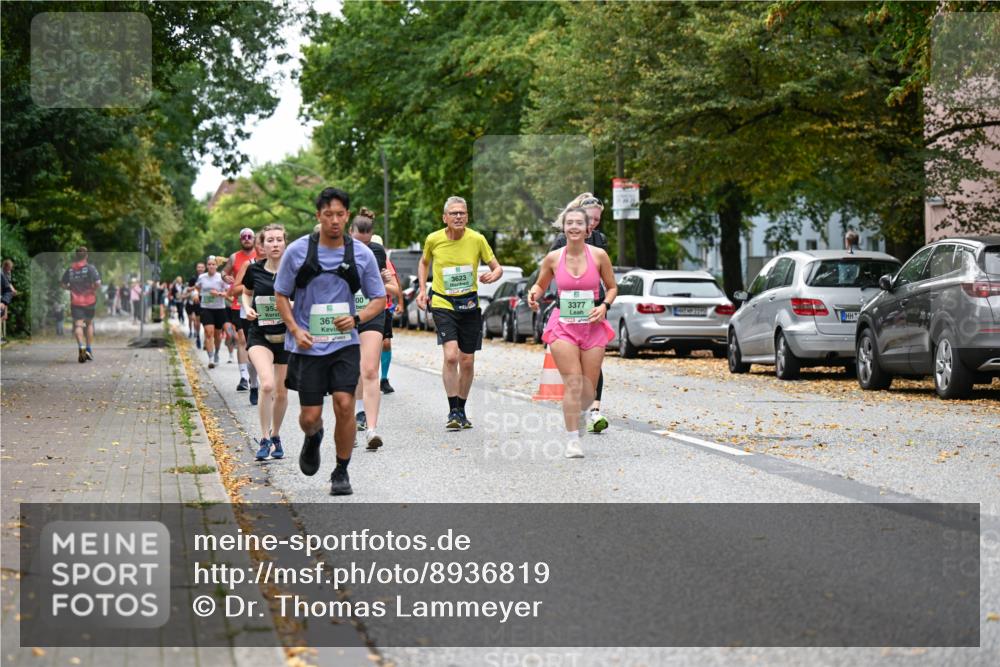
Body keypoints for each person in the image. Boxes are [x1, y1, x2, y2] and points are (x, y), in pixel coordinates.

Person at [274, 187, 386, 496]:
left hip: (344, 343)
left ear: (347, 216)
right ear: (318, 216)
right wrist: (295, 330)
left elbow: (379, 298)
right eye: (328, 215)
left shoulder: (360, 254)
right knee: (310, 416)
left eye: (340, 215)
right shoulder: (297, 251)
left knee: (345, 403)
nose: (334, 221)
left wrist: (358, 319)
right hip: (307, 345)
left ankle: (341, 470)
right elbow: (281, 294)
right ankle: (314, 436)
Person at [529, 206, 617, 458]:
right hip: (563, 326)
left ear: (589, 227)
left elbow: (612, 287)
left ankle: (580, 417)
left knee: (587, 389)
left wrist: (604, 306)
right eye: (570, 223)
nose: (575, 227)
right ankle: (572, 440)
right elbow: (540, 284)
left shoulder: (599, 255)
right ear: (564, 228)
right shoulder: (554, 258)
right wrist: (533, 295)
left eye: (580, 223)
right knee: (574, 384)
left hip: (593, 327)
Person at [416, 196, 502, 430]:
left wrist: (493, 275)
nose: (458, 216)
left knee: (467, 360)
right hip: (443, 302)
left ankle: (461, 409)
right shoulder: (433, 239)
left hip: (469, 306)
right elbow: (424, 263)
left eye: (462, 213)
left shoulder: (477, 239)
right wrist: (422, 289)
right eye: (453, 213)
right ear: (445, 217)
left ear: (467, 216)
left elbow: (497, 267)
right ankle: (453, 409)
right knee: (451, 356)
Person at [549, 193, 610, 434]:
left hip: (594, 304)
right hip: (566, 308)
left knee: (594, 361)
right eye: (591, 218)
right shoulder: (561, 240)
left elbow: (604, 273)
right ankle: (579, 409)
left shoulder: (600, 241)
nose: (594, 223)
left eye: (597, 220)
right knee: (575, 366)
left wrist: (604, 303)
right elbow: (549, 271)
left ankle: (594, 410)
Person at [350, 210, 402, 449]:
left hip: (372, 311)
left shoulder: (378, 252)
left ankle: (371, 430)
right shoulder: (336, 250)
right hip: (344, 314)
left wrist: (384, 280)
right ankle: (355, 415)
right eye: (358, 243)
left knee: (370, 369)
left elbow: (392, 289)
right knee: (352, 370)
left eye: (367, 244)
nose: (363, 249)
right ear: (350, 234)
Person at [241, 225, 290, 461]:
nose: (275, 244)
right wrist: (247, 308)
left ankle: (276, 435)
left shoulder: (294, 271)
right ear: (262, 245)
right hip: (259, 334)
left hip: (286, 335)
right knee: (267, 384)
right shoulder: (254, 270)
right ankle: (263, 438)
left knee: (281, 392)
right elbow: (246, 292)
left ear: (285, 243)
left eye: (279, 240)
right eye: (270, 240)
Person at [224, 228, 258, 389]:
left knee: (257, 342)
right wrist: (227, 277)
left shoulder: (262, 255)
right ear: (240, 240)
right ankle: (244, 377)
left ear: (254, 239)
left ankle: (257, 376)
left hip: (261, 305)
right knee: (242, 340)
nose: (246, 239)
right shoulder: (234, 257)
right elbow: (224, 273)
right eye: (243, 237)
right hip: (239, 304)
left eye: (249, 237)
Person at [61, 246, 102, 362]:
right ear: (86, 256)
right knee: (89, 324)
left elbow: (63, 284)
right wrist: (92, 288)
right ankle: (89, 350)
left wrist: (71, 288)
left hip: (76, 301)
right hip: (89, 300)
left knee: (78, 325)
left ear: (76, 256)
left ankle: (81, 348)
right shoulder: (90, 268)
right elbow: (98, 283)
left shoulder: (70, 269)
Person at [372, 235, 400, 394]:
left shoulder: (387, 264)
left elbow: (396, 289)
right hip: (364, 309)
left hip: (384, 307)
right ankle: (368, 377)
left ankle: (384, 378)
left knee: (386, 343)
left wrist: (379, 283)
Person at [196, 256, 228, 368]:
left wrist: (219, 294)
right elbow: (197, 288)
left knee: (217, 335)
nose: (211, 266)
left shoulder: (221, 277)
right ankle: (210, 358)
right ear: (206, 266)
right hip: (206, 308)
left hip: (219, 308)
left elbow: (229, 293)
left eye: (213, 264)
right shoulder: (202, 277)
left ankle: (217, 353)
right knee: (208, 332)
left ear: (216, 266)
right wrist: (198, 295)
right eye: (209, 264)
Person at [186, 262, 205, 347]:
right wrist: (196, 287)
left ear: (205, 268)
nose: (200, 269)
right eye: (199, 267)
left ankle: (206, 340)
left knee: (207, 322)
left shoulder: (207, 277)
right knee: (197, 321)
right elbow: (188, 289)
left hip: (207, 302)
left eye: (202, 267)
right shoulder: (193, 278)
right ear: (196, 269)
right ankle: (197, 335)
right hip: (196, 301)